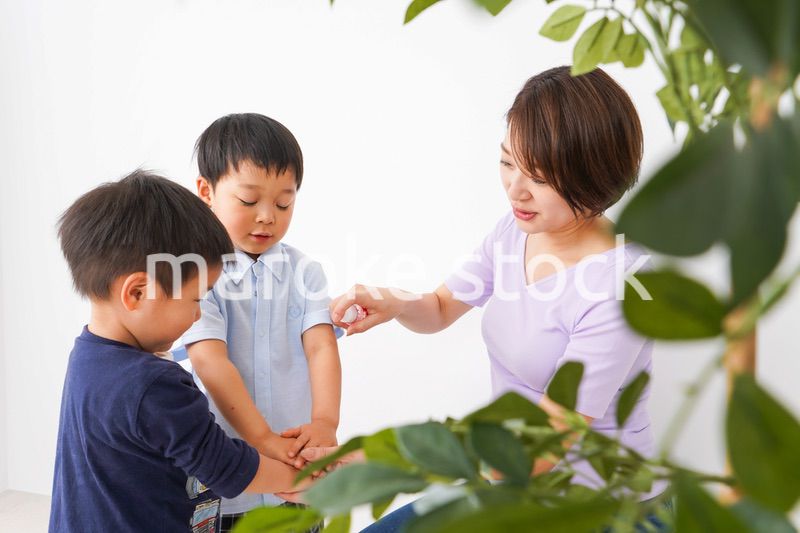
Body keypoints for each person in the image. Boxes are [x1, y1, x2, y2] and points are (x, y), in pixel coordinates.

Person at [326, 66, 669, 531]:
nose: (515, 189)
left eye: (540, 177)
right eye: (507, 163)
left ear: (596, 175)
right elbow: (443, 307)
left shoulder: (622, 286)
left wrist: (385, 462)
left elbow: (547, 443)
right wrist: (399, 302)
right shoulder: (518, 229)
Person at [49, 171, 311, 533]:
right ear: (137, 292)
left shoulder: (88, 356)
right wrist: (300, 479)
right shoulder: (154, 382)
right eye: (195, 297)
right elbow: (222, 463)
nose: (198, 313)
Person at [181, 113, 342, 531]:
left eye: (284, 202)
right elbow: (210, 362)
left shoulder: (304, 271)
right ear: (206, 192)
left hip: (298, 462)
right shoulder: (197, 274)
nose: (268, 216)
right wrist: (261, 440)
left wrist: (325, 422)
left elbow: (322, 345)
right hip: (228, 471)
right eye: (249, 201)